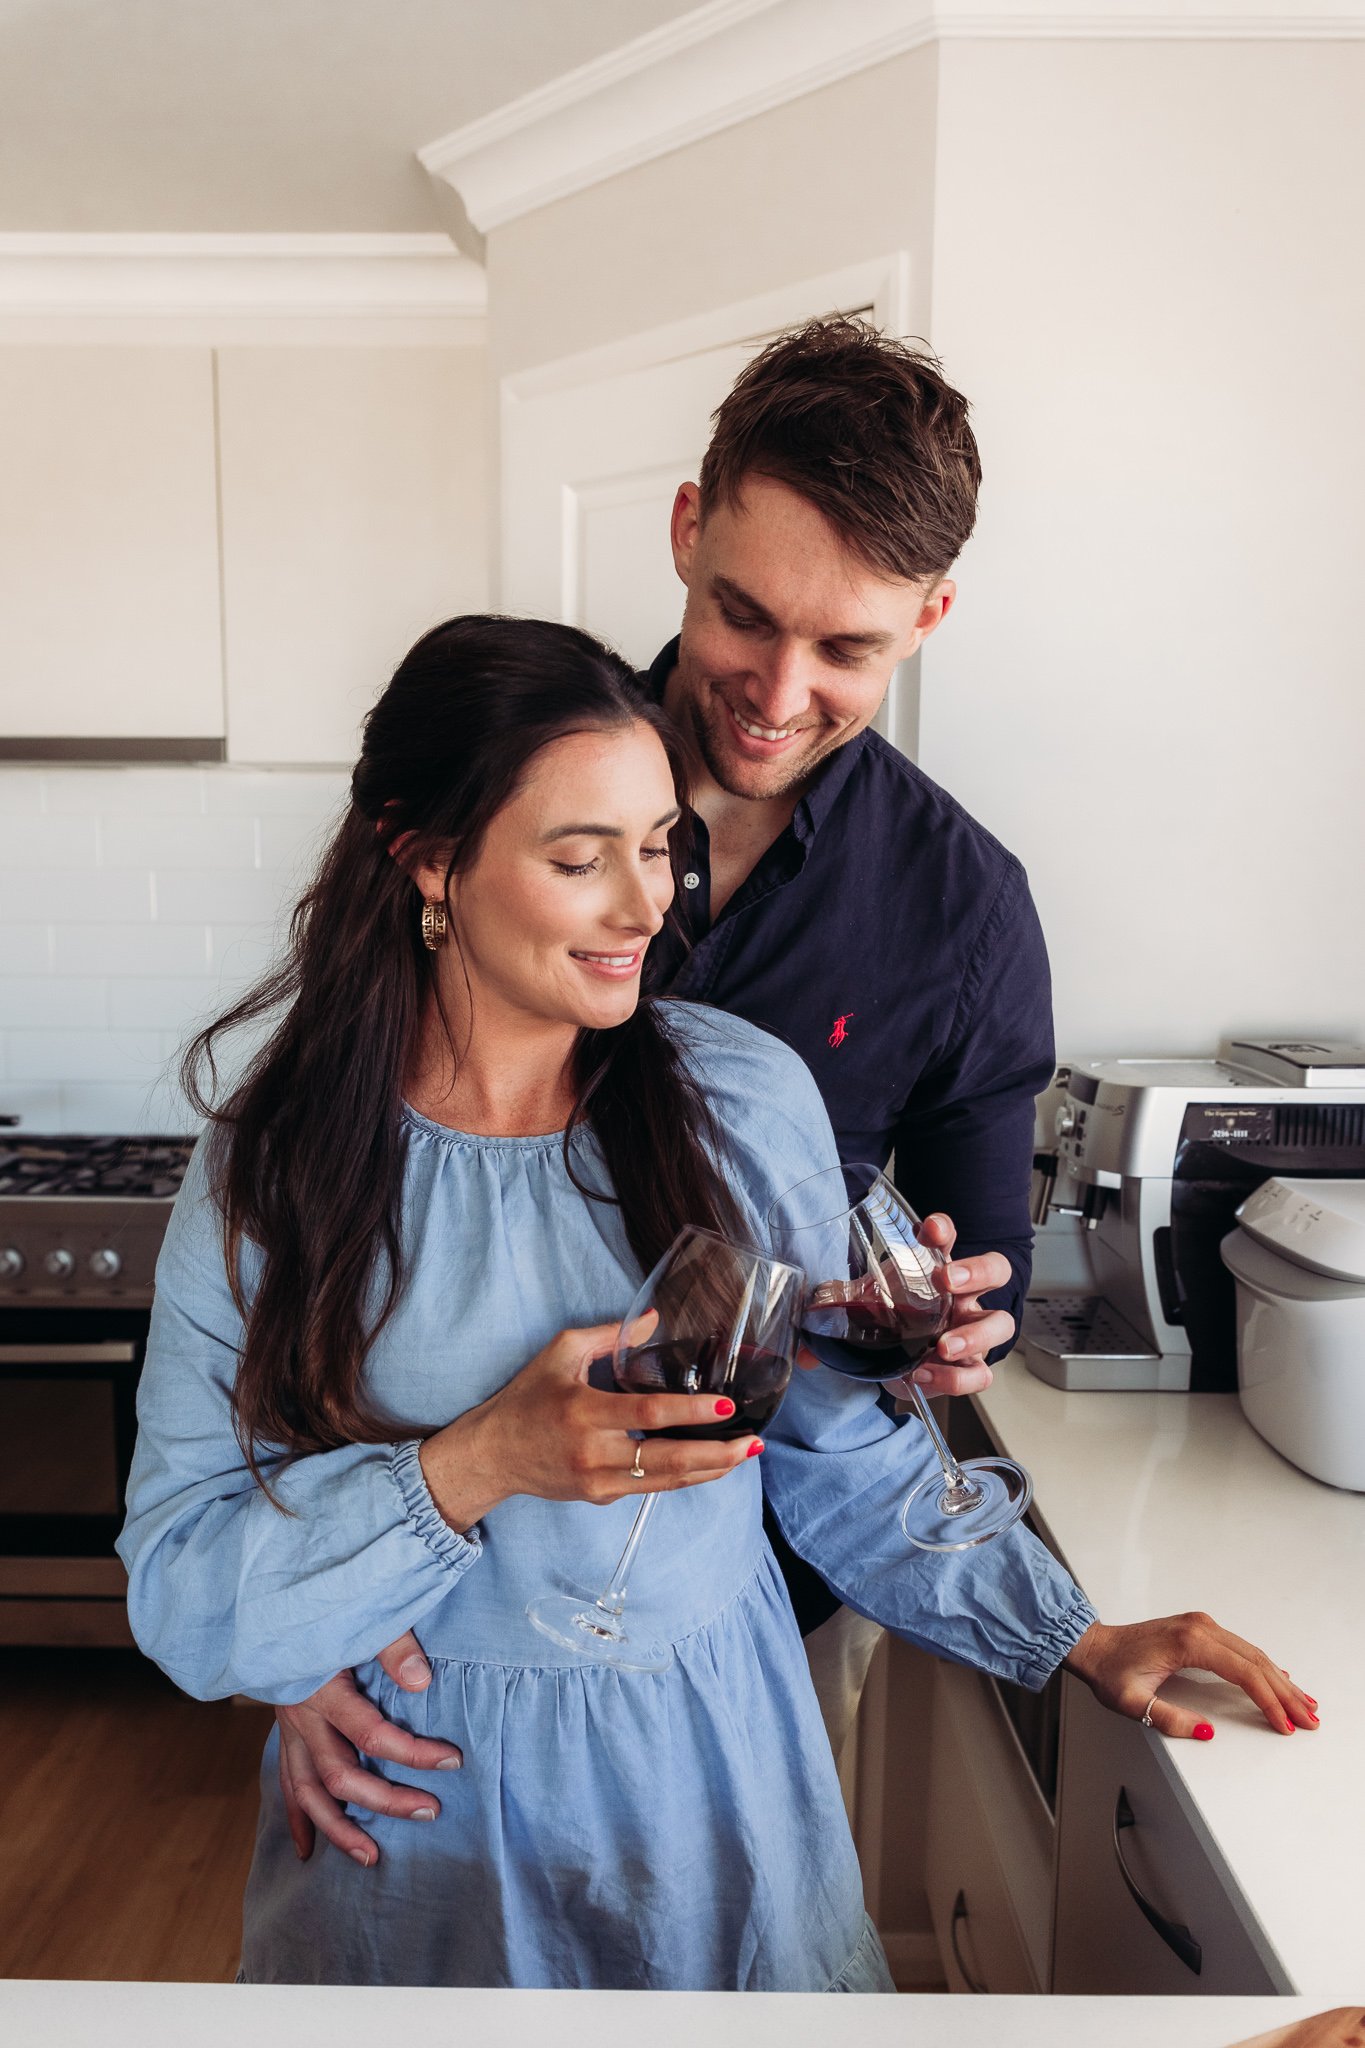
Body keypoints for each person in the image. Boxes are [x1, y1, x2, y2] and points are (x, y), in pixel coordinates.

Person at [250, 325, 1321, 1870]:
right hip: (421, 1623)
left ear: (927, 621)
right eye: (741, 616)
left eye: (847, 652)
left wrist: (961, 1338)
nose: (774, 691)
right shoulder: (489, 767)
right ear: (685, 531)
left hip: (751, 1589)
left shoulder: (957, 912)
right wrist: (294, 1643)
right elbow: (319, 1239)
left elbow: (951, 1312)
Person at [117, 614, 1143, 1989]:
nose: (644, 905)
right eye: (576, 857)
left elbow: (840, 1466)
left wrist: (1072, 1635)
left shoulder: (741, 1099)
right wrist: (475, 1464)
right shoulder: (271, 1169)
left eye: (659, 844)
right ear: (424, 859)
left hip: (718, 1797)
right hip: (415, 1826)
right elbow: (188, 1594)